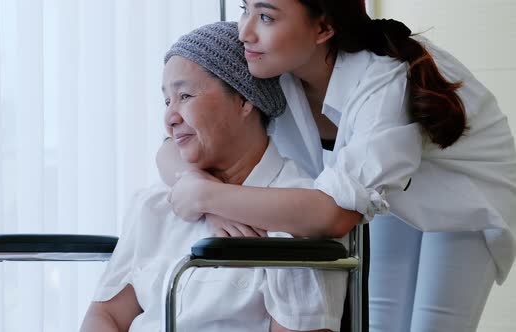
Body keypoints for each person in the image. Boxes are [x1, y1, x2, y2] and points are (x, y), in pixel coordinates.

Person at [158, 1, 516, 331]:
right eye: (244, 8)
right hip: (384, 192)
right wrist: (199, 190)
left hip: (464, 193)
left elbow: (334, 215)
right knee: (377, 321)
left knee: (433, 325)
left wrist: (208, 195)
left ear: (323, 28)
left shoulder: (382, 80)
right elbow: (172, 147)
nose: (244, 31)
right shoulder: (261, 57)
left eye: (266, 16)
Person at [80, 21, 347, 332]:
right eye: (167, 101)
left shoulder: (295, 220)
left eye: (186, 96)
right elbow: (106, 315)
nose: (170, 118)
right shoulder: (155, 204)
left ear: (245, 100)